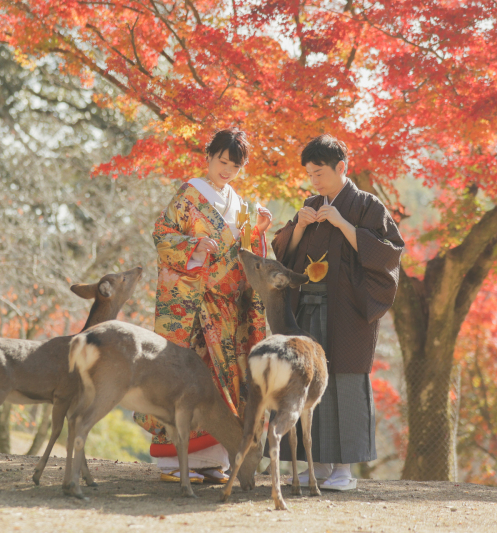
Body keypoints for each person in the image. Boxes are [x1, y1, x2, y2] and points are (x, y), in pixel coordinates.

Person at [134, 128, 272, 484]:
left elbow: (244, 250)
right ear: (209, 157)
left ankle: (212, 460)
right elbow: (163, 236)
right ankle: (173, 462)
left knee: (224, 380)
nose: (226, 170)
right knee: (188, 376)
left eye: (234, 165)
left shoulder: (240, 203)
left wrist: (256, 231)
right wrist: (194, 246)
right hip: (195, 304)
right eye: (222, 161)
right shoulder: (189, 195)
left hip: (228, 308)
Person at [269, 134, 404, 491]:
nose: (314, 181)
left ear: (341, 168)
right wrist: (298, 225)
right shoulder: (311, 203)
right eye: (310, 175)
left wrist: (344, 223)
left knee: (343, 383)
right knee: (305, 381)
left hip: (347, 313)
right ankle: (315, 465)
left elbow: (389, 254)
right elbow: (284, 256)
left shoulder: (367, 205)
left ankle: (343, 472)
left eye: (319, 173)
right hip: (308, 308)